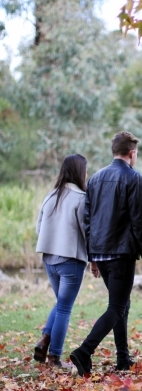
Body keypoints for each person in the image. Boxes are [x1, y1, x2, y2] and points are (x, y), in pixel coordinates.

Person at [70, 131, 142, 376]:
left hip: (101, 253)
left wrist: (92, 257)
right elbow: (141, 222)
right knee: (117, 307)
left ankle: (122, 358)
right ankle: (84, 351)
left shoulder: (95, 179)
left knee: (122, 304)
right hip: (121, 255)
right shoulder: (134, 179)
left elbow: (88, 221)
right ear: (132, 153)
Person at [34, 154, 88, 368]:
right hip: (70, 260)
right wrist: (94, 257)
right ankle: (54, 357)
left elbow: (39, 228)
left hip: (49, 259)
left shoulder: (51, 195)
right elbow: (87, 232)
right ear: (79, 172)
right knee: (65, 307)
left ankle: (45, 338)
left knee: (61, 303)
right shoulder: (80, 198)